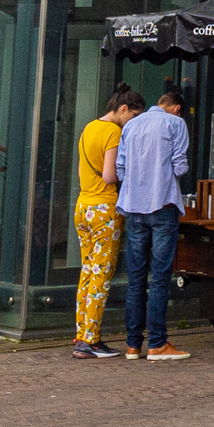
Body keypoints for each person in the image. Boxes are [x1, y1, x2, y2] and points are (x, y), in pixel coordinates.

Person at [110, 84, 194, 360]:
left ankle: (133, 345)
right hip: (162, 203)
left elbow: (121, 168)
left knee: (135, 279)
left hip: (133, 207)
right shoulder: (176, 124)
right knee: (159, 278)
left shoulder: (131, 125)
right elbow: (180, 165)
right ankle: (157, 343)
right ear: (177, 108)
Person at [67, 77, 133, 355]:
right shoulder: (114, 132)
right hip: (104, 209)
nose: (131, 123)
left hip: (83, 206)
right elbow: (109, 175)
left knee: (87, 272)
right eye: (132, 117)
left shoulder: (89, 127)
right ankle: (90, 340)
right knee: (101, 276)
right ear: (124, 109)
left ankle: (82, 333)